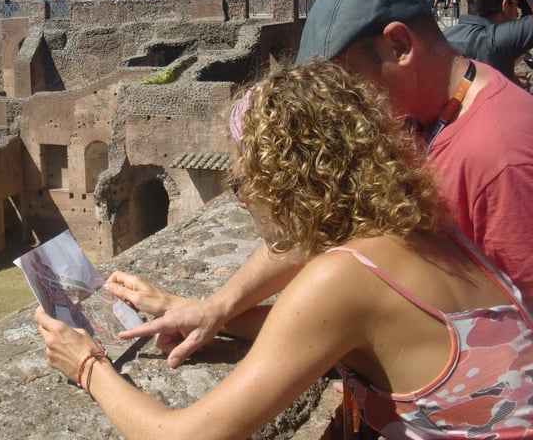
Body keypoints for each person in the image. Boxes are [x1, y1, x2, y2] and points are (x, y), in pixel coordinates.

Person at [36, 60, 533, 439]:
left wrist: (87, 365)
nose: (242, 195)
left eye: (243, 176)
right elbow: (311, 331)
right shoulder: (421, 229)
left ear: (282, 179)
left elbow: (186, 435)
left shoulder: (346, 276)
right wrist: (187, 309)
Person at [110, 0, 533, 369]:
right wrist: (217, 307)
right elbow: (324, 222)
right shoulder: (411, 115)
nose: (336, 103)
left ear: (399, 46)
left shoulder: (500, 156)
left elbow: (516, 339)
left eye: (346, 80)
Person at [443, 0, 533, 83]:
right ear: (505, 6)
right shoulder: (496, 40)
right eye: (516, 5)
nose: (517, 13)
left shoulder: (444, 36)